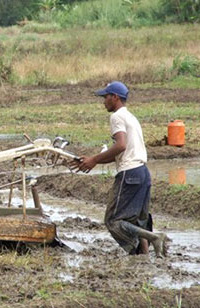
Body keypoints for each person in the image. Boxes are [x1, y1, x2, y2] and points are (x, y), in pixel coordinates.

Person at [72, 81, 168, 257]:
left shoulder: (116, 117)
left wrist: (93, 159)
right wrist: (93, 161)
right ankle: (143, 256)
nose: (103, 101)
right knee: (139, 220)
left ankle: (154, 237)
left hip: (129, 173)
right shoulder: (131, 117)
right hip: (142, 172)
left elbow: (121, 145)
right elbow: (120, 151)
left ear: (114, 97)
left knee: (113, 220)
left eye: (105, 97)